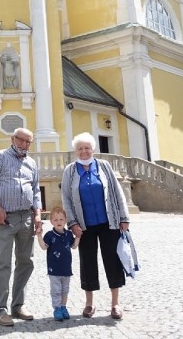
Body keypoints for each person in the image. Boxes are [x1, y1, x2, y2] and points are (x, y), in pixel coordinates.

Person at [61, 132, 130, 321]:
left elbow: (117, 192)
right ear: (76, 151)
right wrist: (73, 223)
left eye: (87, 148)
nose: (84, 151)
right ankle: (89, 303)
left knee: (113, 261)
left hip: (110, 222)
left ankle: (115, 303)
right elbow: (66, 198)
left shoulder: (104, 166)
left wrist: (124, 218)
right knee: (87, 262)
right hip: (84, 226)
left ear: (93, 149)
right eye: (80, 148)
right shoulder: (70, 170)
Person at [0, 127, 43, 327]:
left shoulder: (31, 163)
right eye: (21, 140)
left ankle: (18, 305)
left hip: (26, 216)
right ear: (13, 138)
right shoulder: (0, 157)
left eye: (28, 142)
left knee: (26, 262)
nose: (24, 145)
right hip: (6, 218)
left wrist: (37, 214)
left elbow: (35, 189)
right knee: (3, 263)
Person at [36, 205, 80, 321]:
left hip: (66, 269)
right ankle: (57, 308)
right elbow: (44, 247)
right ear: (51, 222)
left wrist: (78, 237)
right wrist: (39, 235)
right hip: (54, 269)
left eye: (61, 219)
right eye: (55, 220)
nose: (58, 222)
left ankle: (63, 307)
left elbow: (74, 246)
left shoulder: (69, 234)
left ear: (65, 221)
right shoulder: (50, 235)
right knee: (56, 290)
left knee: (65, 290)